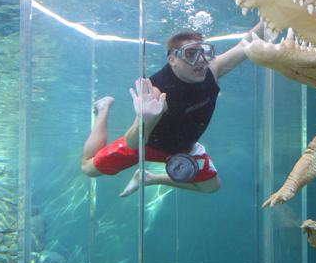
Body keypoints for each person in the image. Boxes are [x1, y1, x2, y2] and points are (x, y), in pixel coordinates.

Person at [80, 24, 263, 197]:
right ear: (172, 59)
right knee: (88, 168)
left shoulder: (213, 70)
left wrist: (272, 19)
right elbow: (133, 144)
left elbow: (246, 44)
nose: (200, 61)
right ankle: (104, 108)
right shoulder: (157, 91)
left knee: (211, 186)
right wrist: (146, 119)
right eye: (190, 54)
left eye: (204, 53)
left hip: (184, 148)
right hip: (148, 145)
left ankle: (149, 178)